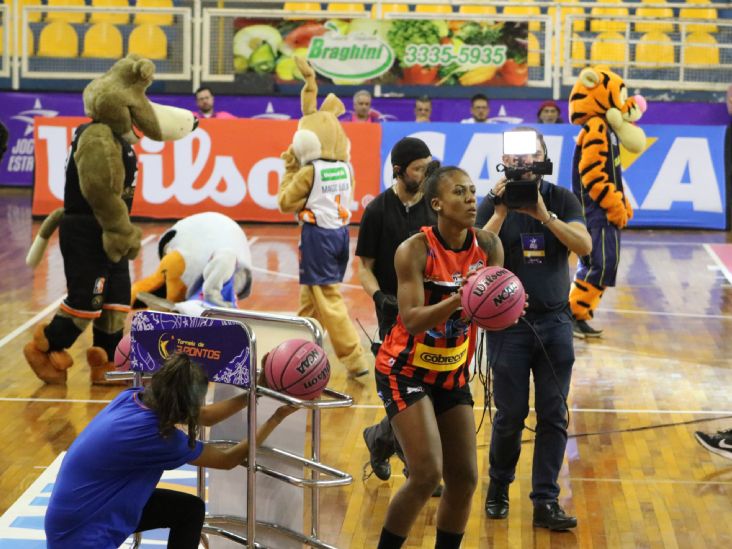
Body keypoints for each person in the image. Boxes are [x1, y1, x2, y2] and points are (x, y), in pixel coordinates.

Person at [375, 162, 504, 549]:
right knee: (427, 474)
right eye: (459, 192)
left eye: (471, 191)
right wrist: (459, 299)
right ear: (436, 203)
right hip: (404, 370)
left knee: (464, 478)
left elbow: (491, 316)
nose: (469, 199)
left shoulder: (490, 246)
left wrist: (508, 306)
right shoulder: (413, 250)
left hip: (453, 371)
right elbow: (412, 320)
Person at [45, 353, 296, 548]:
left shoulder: (133, 397)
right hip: (83, 534)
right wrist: (276, 418)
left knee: (189, 510)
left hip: (84, 511)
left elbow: (205, 417)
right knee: (188, 511)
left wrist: (258, 391)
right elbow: (229, 459)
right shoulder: (158, 438)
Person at [476, 126, 591, 531]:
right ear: (505, 160)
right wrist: (502, 210)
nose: (523, 162)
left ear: (543, 156)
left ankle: (546, 500)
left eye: (531, 154)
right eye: (516, 156)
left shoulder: (560, 197)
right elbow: (475, 254)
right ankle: (499, 487)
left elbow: (585, 246)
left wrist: (544, 216)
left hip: (556, 321)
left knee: (554, 414)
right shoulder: (492, 202)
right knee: (509, 414)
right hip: (508, 325)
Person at [357, 137, 435, 484]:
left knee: (427, 385)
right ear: (400, 170)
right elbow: (364, 267)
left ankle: (380, 436)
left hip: (431, 309)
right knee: (407, 386)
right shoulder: (376, 210)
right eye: (419, 168)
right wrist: (378, 298)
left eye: (428, 166)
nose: (425, 173)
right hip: (392, 311)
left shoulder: (434, 208)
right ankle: (416, 468)